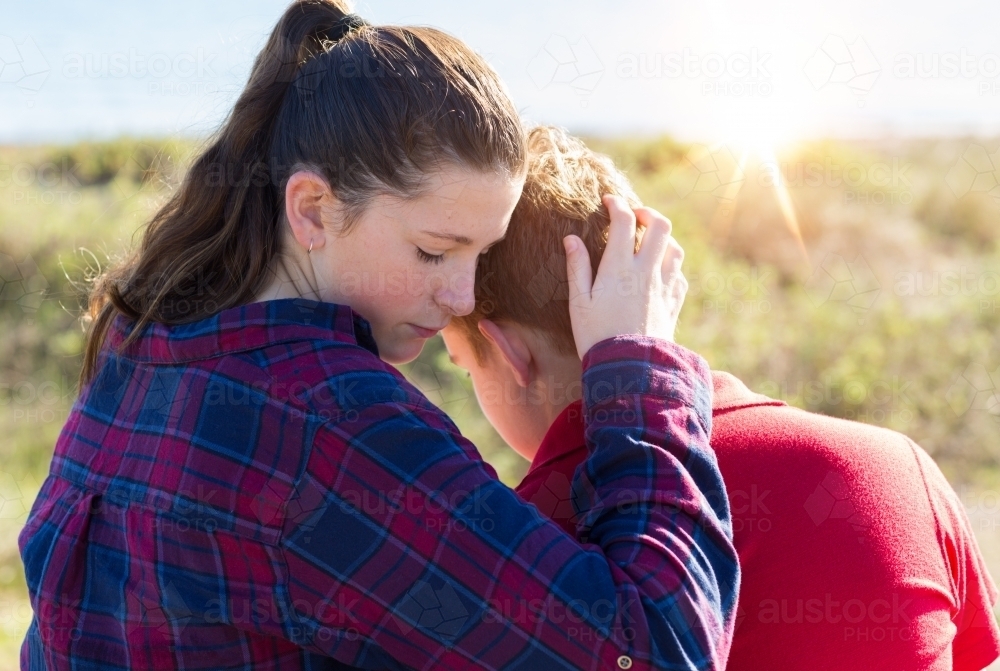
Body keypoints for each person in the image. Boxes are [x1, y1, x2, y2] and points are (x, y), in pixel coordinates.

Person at [18, 3, 738, 669]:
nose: (461, 295)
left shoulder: (141, 340)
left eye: (481, 255)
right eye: (433, 250)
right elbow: (656, 647)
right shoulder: (335, 425)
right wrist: (640, 367)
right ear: (312, 209)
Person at [444, 124, 1000, 671]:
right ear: (656, 296)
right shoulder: (896, 467)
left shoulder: (514, 545)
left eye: (465, 364)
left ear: (509, 353)